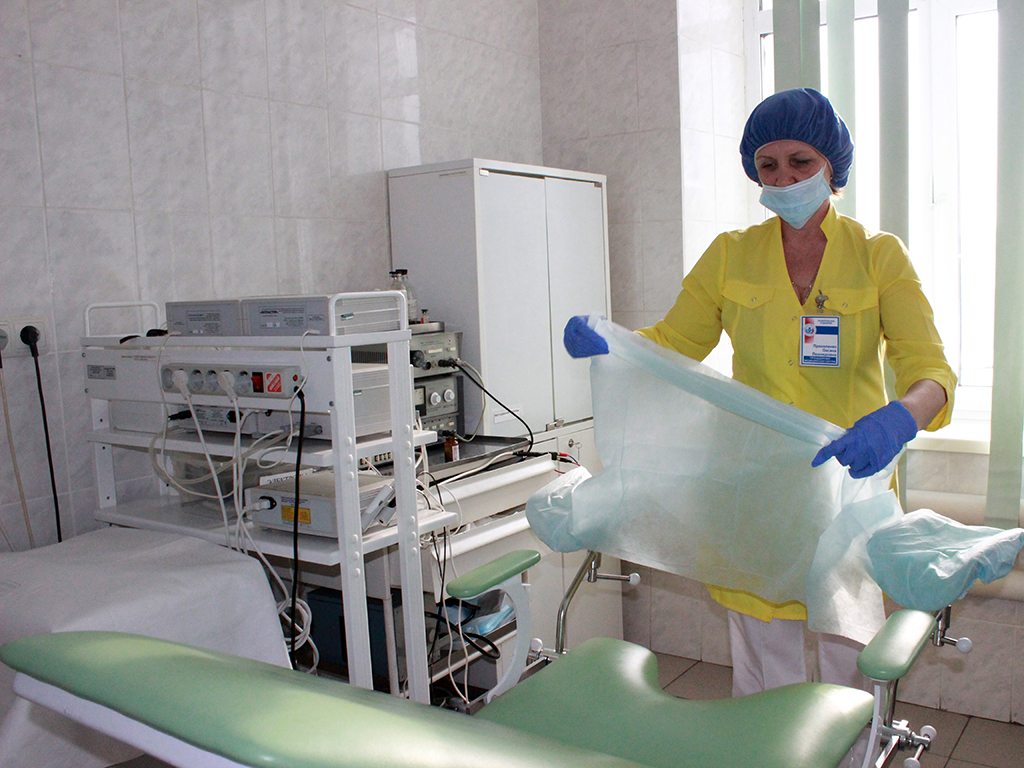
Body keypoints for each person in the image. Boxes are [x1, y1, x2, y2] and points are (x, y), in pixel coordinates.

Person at [563, 88, 956, 697]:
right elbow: (672, 345)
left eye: (801, 162)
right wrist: (612, 341)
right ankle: (767, 745)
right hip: (753, 487)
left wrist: (898, 420)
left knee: (848, 662)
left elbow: (931, 372)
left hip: (845, 482)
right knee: (762, 662)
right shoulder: (731, 256)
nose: (784, 178)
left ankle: (850, 748)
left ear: (832, 167)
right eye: (768, 165)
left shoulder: (879, 257)